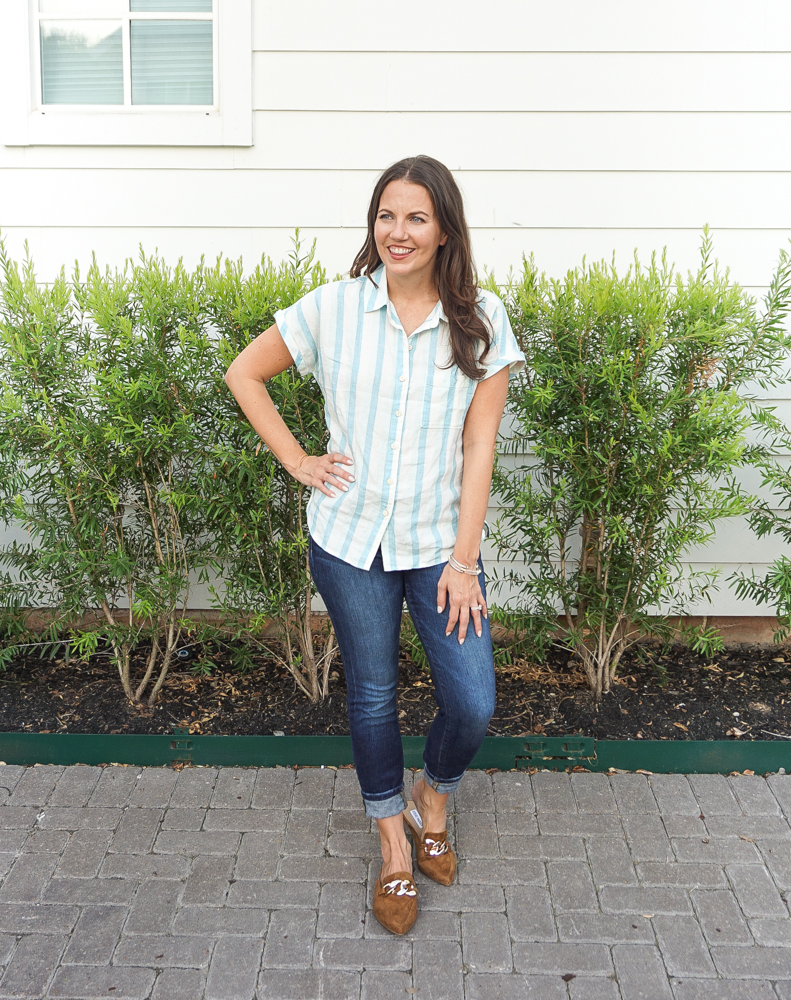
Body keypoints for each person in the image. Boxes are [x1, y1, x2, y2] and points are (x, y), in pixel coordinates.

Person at [225, 155, 525, 934]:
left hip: (438, 547)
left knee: (474, 700)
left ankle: (436, 793)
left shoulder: (481, 320)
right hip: (349, 541)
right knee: (371, 694)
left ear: (445, 229)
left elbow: (480, 448)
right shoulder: (333, 308)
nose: (398, 231)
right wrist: (298, 461)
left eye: (416, 217)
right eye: (386, 216)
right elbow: (244, 373)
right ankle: (395, 841)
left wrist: (465, 563)